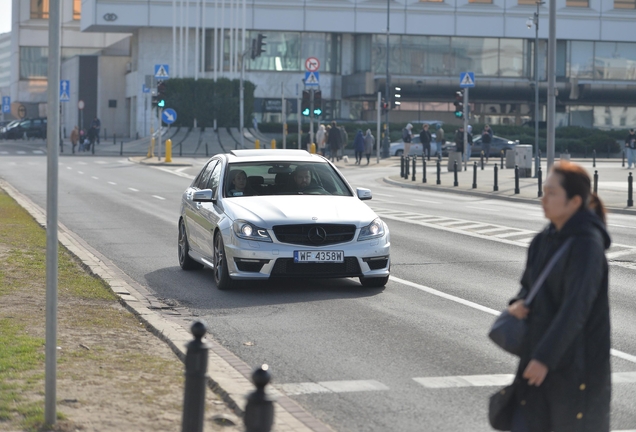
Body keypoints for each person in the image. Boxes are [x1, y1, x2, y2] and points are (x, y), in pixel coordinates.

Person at [505, 161, 611, 432]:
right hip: (539, 361)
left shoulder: (587, 244)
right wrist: (518, 303)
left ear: (574, 201)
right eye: (544, 191)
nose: (544, 198)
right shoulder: (545, 239)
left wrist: (544, 358)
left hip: (577, 369)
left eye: (552, 193)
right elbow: (528, 286)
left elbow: (576, 308)